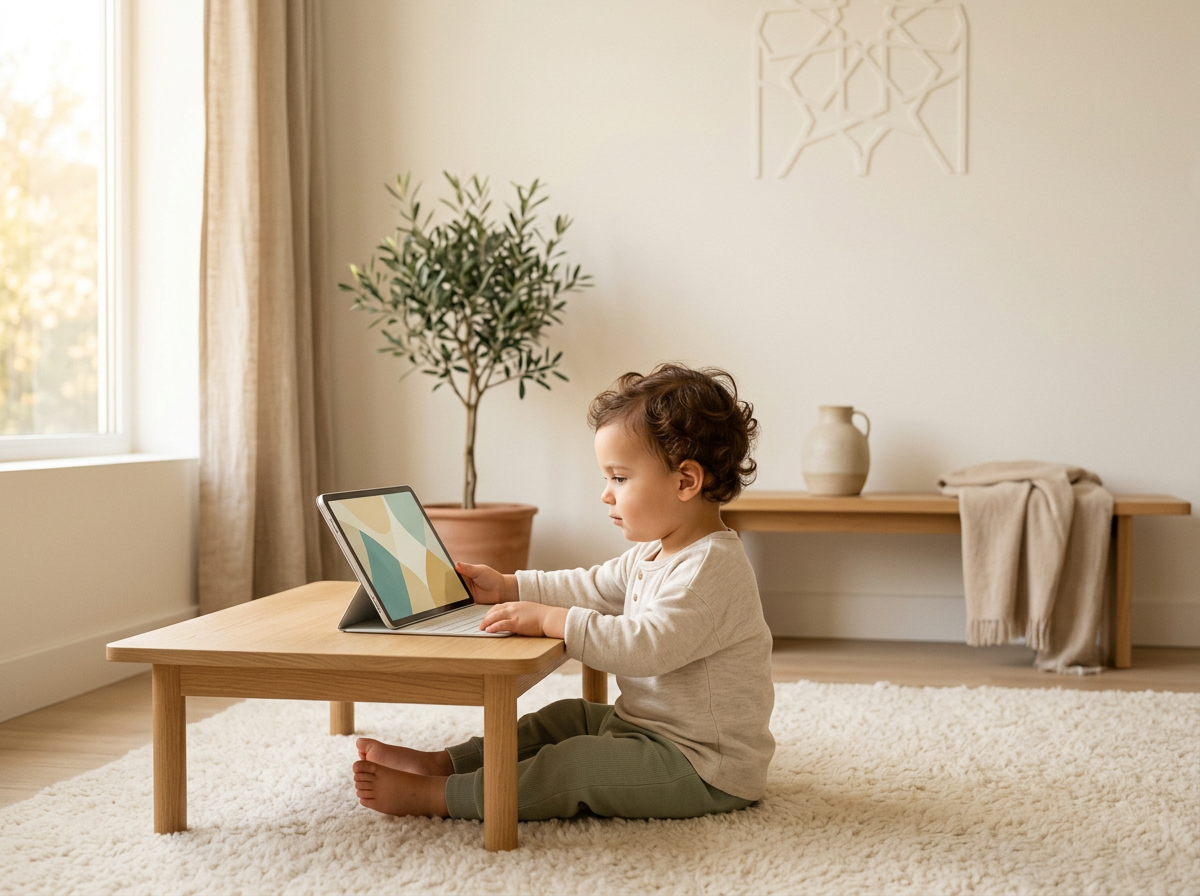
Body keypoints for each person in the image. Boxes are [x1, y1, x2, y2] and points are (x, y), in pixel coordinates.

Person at [352, 363, 776, 822]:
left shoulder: (709, 569)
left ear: (686, 481)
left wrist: (550, 620)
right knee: (565, 718)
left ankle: (442, 796)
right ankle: (445, 764)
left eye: (619, 478)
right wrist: (509, 586)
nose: (606, 494)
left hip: (700, 764)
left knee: (574, 765)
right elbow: (591, 587)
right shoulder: (655, 552)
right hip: (646, 728)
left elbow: (647, 648)